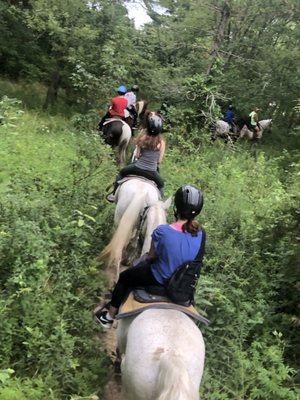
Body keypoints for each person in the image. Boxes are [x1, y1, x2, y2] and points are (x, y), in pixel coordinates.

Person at [95, 184, 205, 328]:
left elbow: (151, 256)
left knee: (125, 277)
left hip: (159, 279)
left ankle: (109, 317)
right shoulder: (201, 234)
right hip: (183, 284)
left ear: (176, 207)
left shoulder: (162, 231)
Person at [106, 114, 165, 202]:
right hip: (152, 172)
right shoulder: (161, 143)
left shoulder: (142, 138)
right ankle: (160, 204)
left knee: (121, 173)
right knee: (161, 185)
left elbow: (137, 155)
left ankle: (114, 195)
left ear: (148, 127)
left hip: (137, 168)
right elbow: (159, 161)